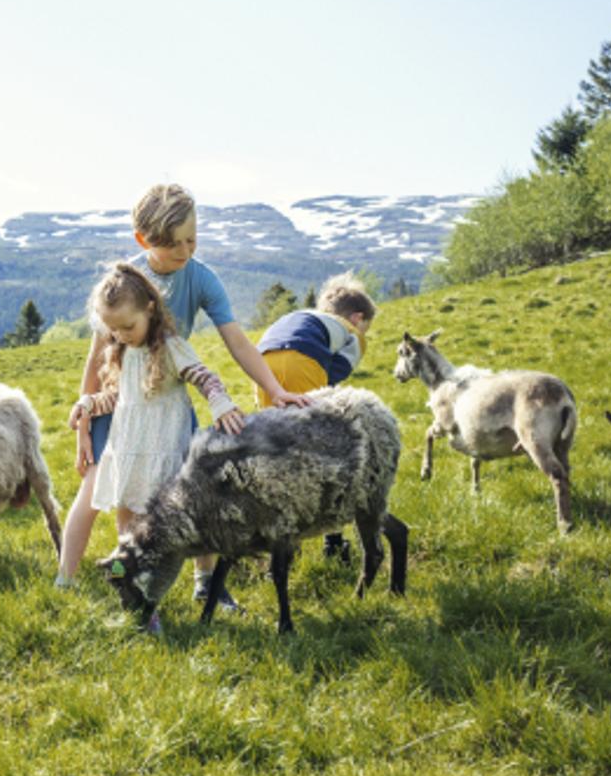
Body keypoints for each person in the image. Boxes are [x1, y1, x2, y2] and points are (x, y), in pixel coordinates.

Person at [56, 183, 295, 589]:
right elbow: (97, 355)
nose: (184, 252)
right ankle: (72, 580)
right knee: (105, 494)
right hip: (120, 402)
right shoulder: (123, 284)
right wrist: (84, 420)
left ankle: (206, 583)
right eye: (172, 245)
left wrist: (275, 388)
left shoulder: (200, 281)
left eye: (191, 240)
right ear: (143, 240)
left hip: (167, 402)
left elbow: (235, 342)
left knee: (194, 489)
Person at [57, 260, 246, 589]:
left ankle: (203, 583)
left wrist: (220, 402)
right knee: (127, 534)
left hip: (165, 455)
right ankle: (125, 582)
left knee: (179, 527)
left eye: (128, 327)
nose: (120, 336)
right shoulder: (123, 352)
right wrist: (88, 403)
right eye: (113, 330)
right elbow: (116, 397)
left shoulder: (172, 348)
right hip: (131, 456)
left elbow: (204, 378)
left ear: (150, 308)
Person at [257, 273, 376, 397]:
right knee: (304, 413)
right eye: (365, 328)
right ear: (357, 318)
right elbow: (340, 368)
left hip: (261, 363)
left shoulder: (304, 316)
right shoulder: (352, 331)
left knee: (271, 414)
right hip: (301, 362)